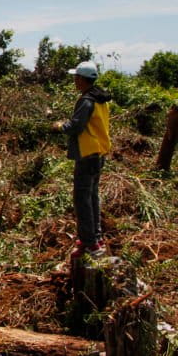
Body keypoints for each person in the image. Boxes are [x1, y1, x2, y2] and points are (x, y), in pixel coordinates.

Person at [52, 61, 112, 259]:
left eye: (76, 78)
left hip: (87, 156)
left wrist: (59, 126)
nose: (75, 81)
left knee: (82, 199)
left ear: (82, 79)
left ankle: (90, 244)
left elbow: (76, 126)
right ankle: (95, 238)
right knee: (92, 197)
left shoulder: (87, 100)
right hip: (98, 154)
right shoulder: (100, 98)